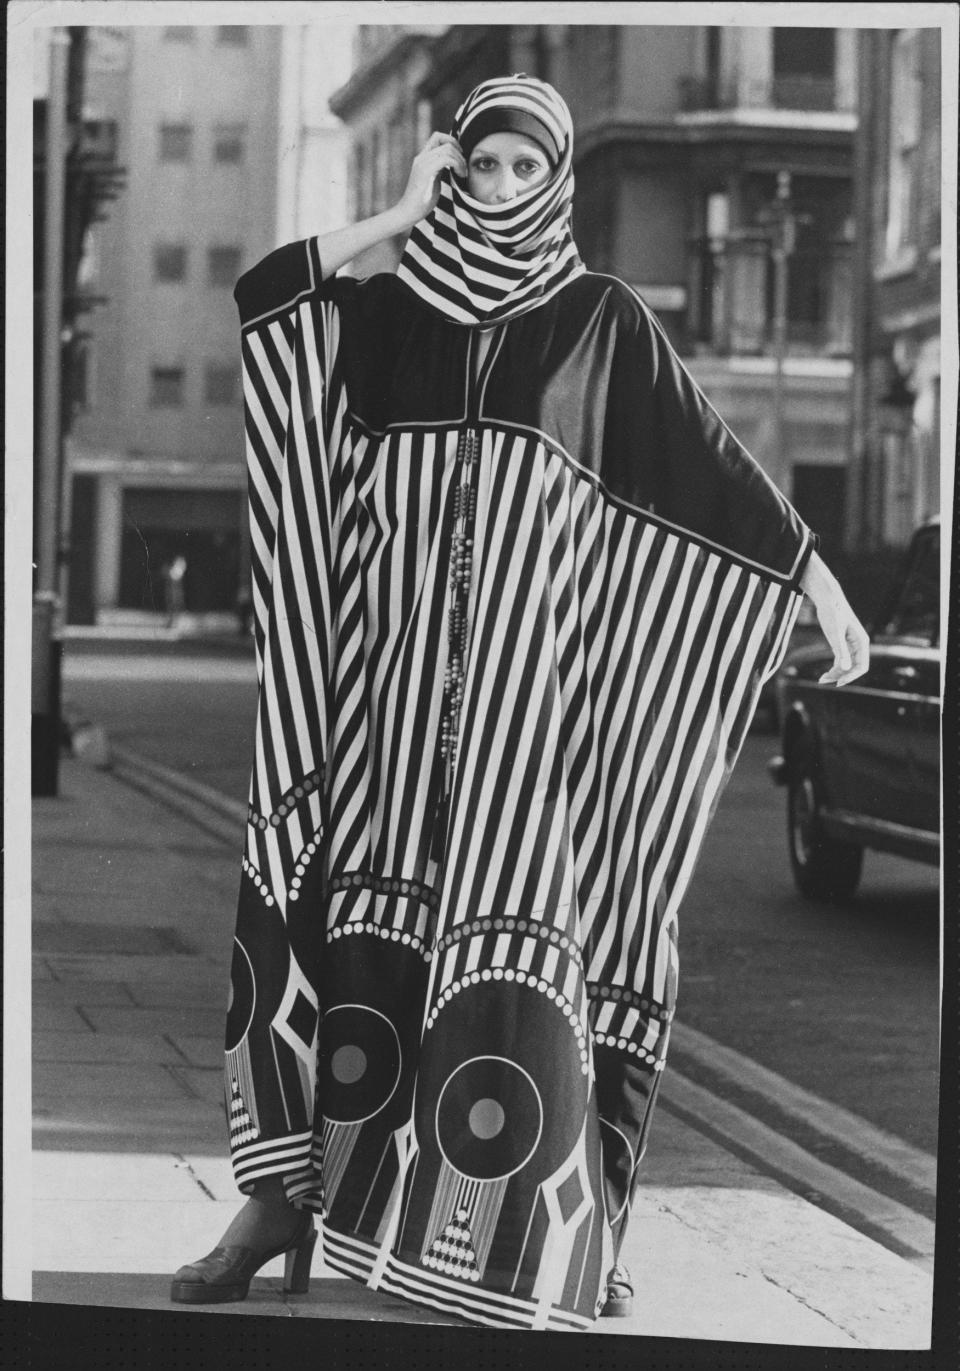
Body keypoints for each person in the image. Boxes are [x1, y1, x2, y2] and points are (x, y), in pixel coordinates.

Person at [171, 75, 868, 1331]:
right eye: (476, 167)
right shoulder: (387, 317)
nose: (494, 190)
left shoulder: (595, 321)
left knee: (561, 930)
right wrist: (393, 213)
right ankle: (282, 1200)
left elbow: (712, 473)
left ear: (553, 177)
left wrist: (820, 584)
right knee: (335, 921)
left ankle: (577, 1233)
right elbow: (268, 299)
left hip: (520, 726)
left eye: (514, 169)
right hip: (384, 714)